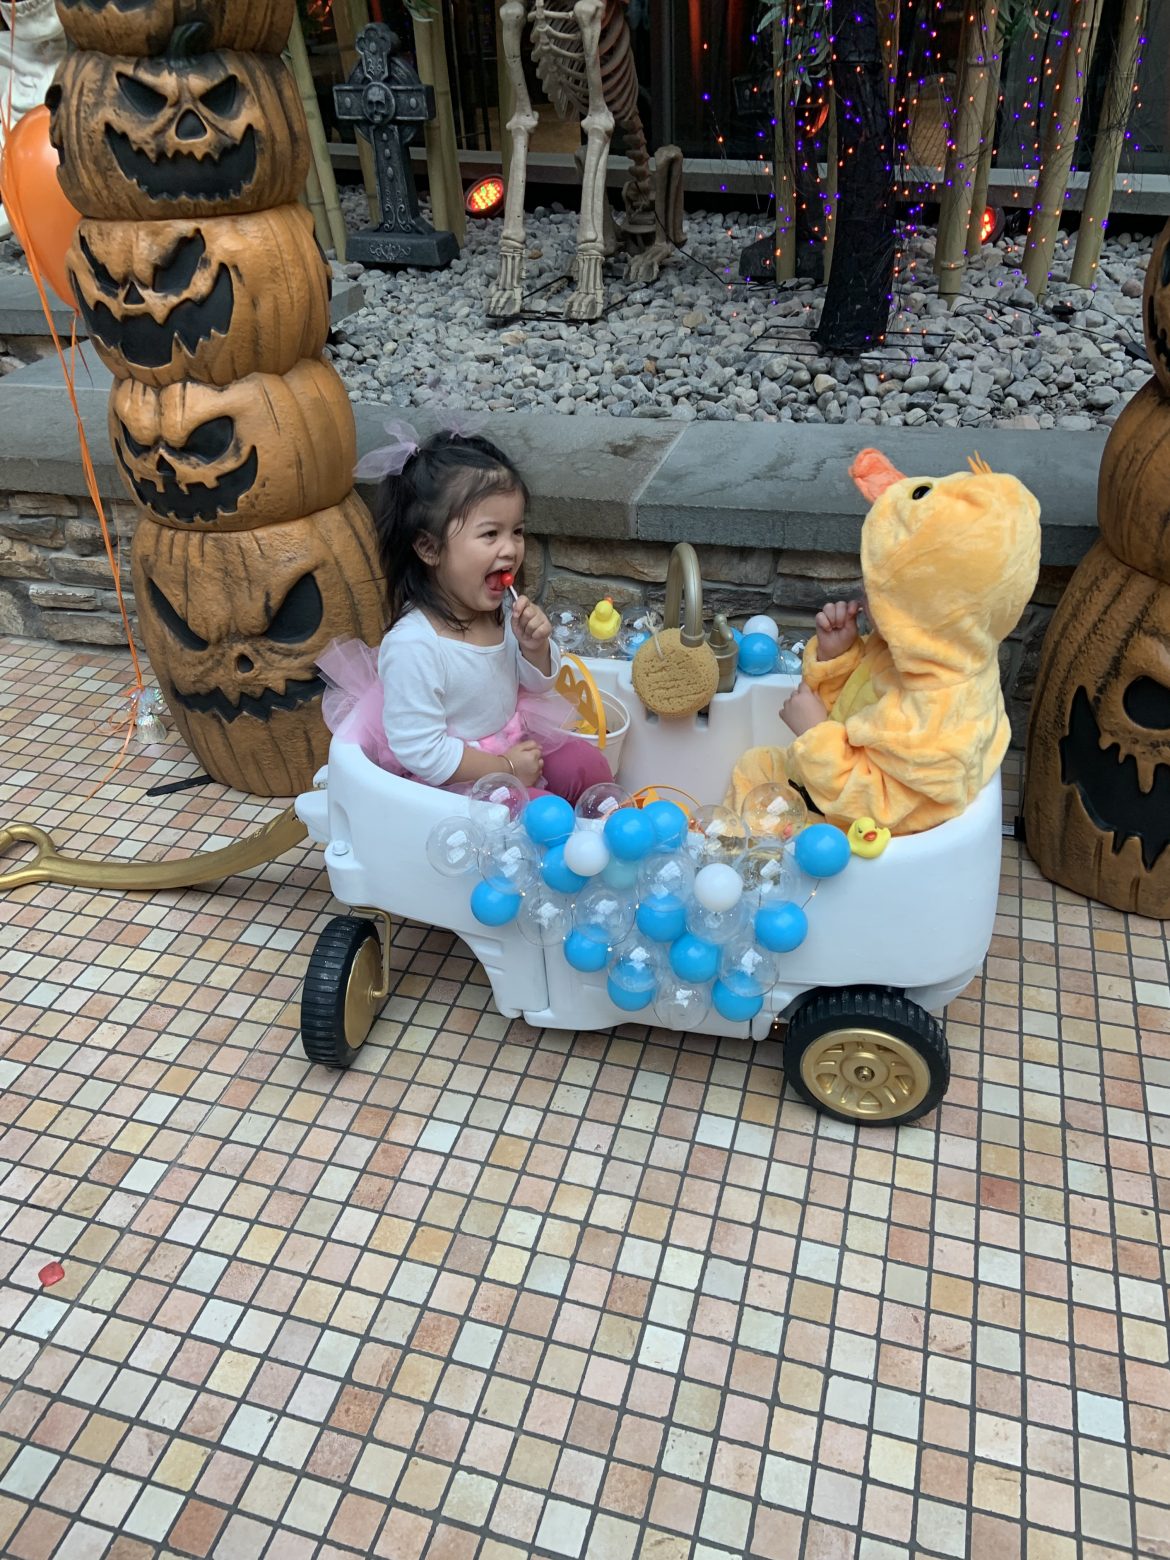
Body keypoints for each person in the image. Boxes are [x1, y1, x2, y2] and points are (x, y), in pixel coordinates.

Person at [728, 448, 1041, 835]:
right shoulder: (925, 648)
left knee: (754, 788)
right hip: (831, 781)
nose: (864, 593)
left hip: (859, 828)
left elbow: (881, 804)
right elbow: (859, 711)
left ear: (922, 605)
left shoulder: (940, 713)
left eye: (878, 588)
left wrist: (814, 735)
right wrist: (839, 655)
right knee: (756, 766)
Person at [319, 424, 613, 803]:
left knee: (586, 764)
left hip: (512, 739)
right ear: (430, 548)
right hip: (455, 778)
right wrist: (506, 768)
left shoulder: (500, 609)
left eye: (517, 531)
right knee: (539, 815)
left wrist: (535, 649)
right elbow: (422, 752)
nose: (510, 549)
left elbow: (536, 686)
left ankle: (603, 820)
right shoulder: (414, 645)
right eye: (491, 534)